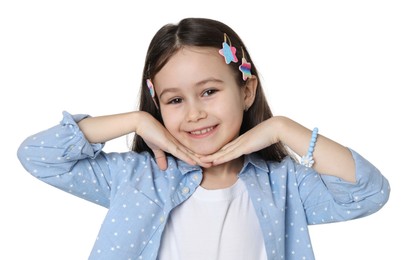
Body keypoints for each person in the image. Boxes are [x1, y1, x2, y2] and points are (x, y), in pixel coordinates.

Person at [17, 17, 390, 260]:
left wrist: (282, 128)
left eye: (209, 91)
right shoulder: (134, 179)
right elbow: (38, 155)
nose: (194, 113)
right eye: (175, 100)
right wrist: (135, 120)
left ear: (246, 92)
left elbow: (368, 193)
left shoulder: (284, 185)